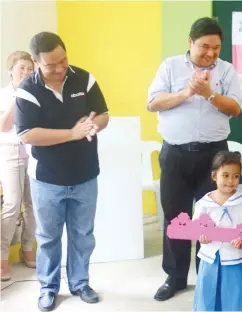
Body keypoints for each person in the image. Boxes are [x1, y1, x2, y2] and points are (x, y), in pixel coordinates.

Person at [147, 17, 242, 301]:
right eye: (205, 47)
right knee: (176, 217)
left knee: (210, 218)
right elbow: (153, 102)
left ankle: (207, 274)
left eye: (216, 48)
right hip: (175, 153)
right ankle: (175, 277)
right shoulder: (170, 66)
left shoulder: (226, 71)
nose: (211, 53)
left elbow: (236, 108)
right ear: (190, 43)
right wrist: (188, 92)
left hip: (214, 157)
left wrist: (209, 94)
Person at [14, 32, 109, 311]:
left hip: (85, 174)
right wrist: (72, 133)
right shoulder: (26, 91)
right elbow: (27, 134)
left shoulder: (84, 79)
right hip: (47, 179)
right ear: (35, 61)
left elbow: (103, 113)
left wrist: (95, 126)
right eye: (51, 64)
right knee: (48, 237)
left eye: (63, 60)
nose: (59, 68)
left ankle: (80, 283)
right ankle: (48, 287)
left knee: (83, 234)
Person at [192, 151, 242, 311]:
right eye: (225, 175)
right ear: (214, 176)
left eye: (235, 176)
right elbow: (195, 227)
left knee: (236, 298)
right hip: (209, 259)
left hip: (235, 259)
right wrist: (202, 236)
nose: (230, 181)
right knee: (207, 298)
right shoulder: (203, 203)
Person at [0, 51, 36, 282]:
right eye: (21, 68)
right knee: (12, 203)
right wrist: (19, 96)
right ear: (11, 68)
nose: (25, 72)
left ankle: (27, 247)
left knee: (33, 203)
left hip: (32, 151)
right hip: (10, 150)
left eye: (29, 69)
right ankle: (2, 256)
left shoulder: (37, 94)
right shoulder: (3, 95)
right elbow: (3, 126)